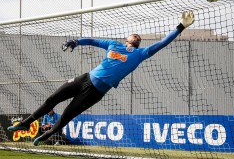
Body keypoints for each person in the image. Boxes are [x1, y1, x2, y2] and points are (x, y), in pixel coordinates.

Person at [7, 11, 195, 146]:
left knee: (66, 116)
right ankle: (25, 124)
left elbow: (162, 43)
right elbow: (94, 41)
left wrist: (181, 27)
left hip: (96, 92)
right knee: (52, 99)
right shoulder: (113, 44)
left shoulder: (141, 54)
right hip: (85, 78)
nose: (137, 36)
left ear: (137, 43)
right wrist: (76, 42)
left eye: (139, 37)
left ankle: (47, 134)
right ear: (127, 38)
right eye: (134, 34)